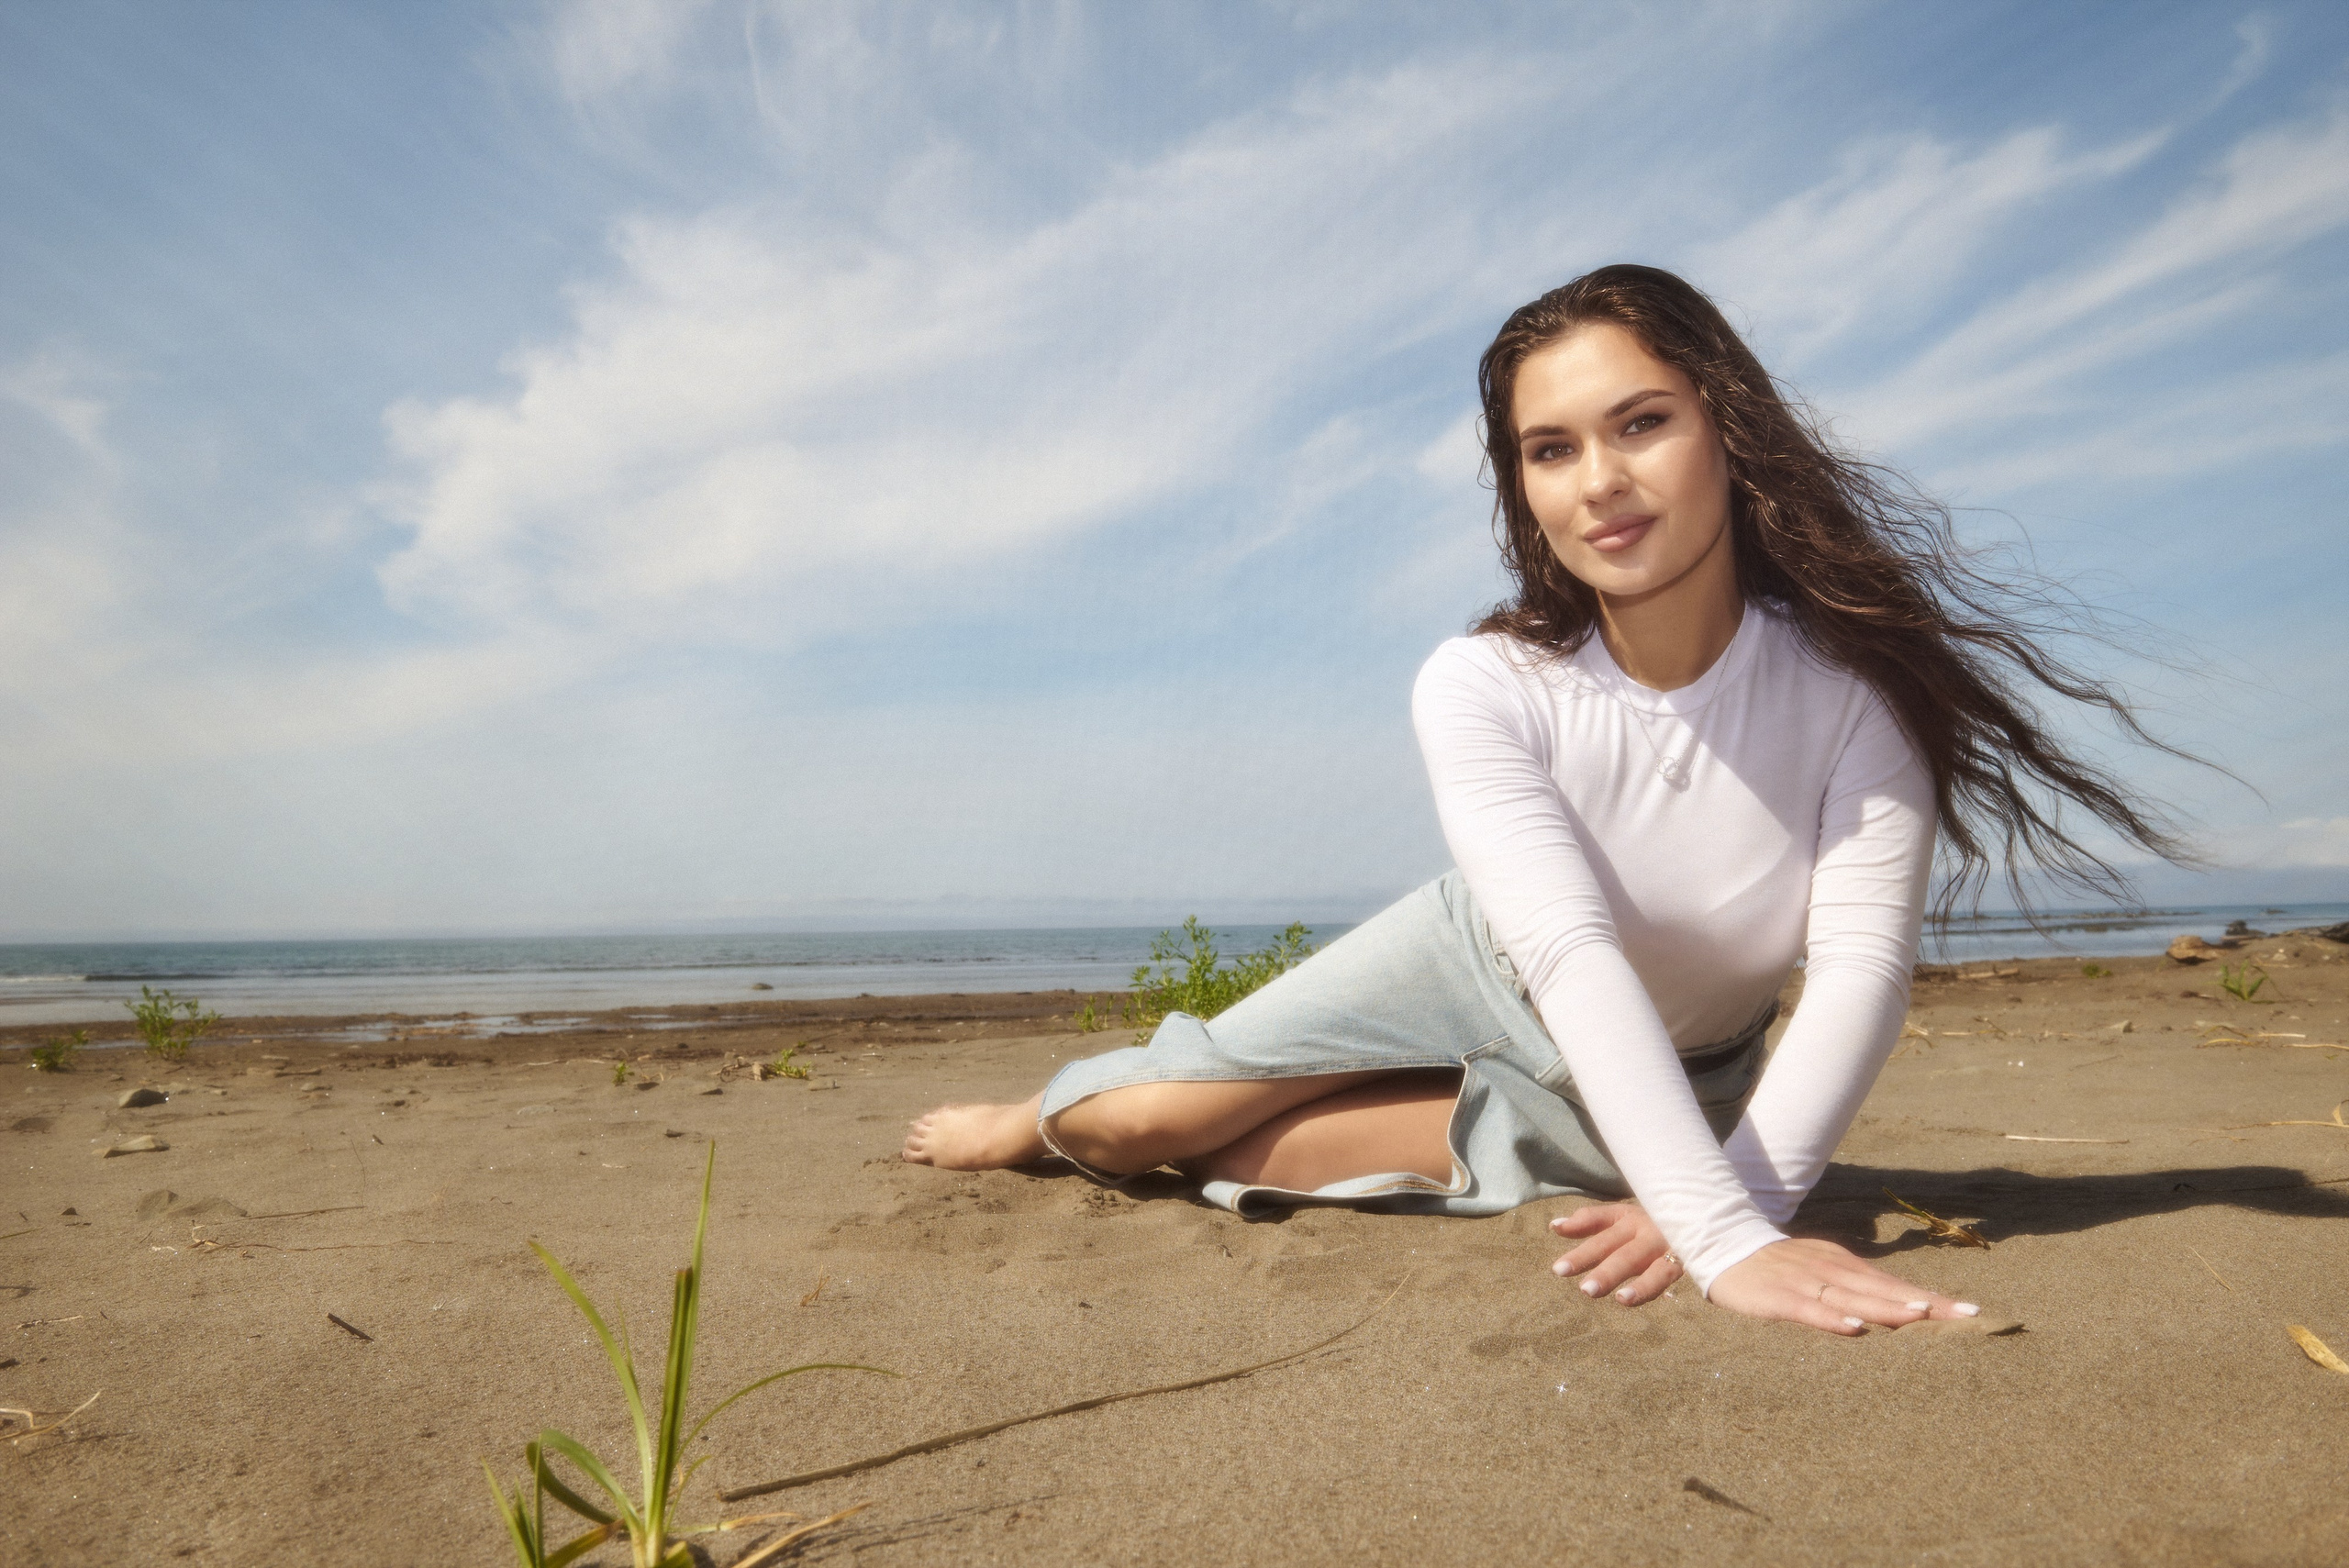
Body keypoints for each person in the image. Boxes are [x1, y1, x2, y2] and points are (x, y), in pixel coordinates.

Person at [902, 264, 2184, 1337]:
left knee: (1236, 1157)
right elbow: (1566, 952)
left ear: (1727, 428)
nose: (1598, 481)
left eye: (1641, 424)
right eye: (1551, 448)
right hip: (1474, 961)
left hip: (1678, 1067)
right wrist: (1722, 1231)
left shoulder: (1858, 688)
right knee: (1139, 1126)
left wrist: (1729, 1208)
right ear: (1523, 483)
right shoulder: (1485, 683)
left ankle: (1249, 1099)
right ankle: (1041, 1114)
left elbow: (1861, 973)